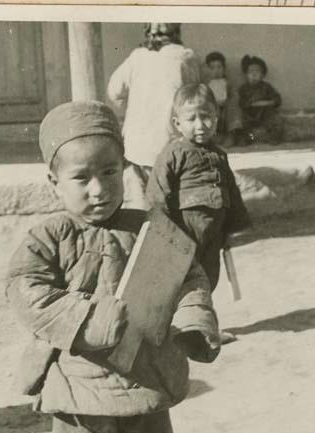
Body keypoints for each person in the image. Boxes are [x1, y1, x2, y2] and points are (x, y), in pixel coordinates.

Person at [6, 101, 221, 433]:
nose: (99, 189)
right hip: (79, 387)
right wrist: (91, 317)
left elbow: (188, 275)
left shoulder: (150, 227)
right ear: (53, 182)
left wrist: (192, 321)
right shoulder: (48, 237)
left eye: (110, 171)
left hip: (146, 376)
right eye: (82, 178)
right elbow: (27, 290)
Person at [147, 83, 250, 294]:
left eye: (206, 117)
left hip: (214, 231)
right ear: (177, 123)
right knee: (182, 280)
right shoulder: (174, 153)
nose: (200, 125)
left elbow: (231, 191)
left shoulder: (220, 155)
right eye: (191, 119)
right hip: (185, 231)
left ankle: (204, 320)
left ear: (216, 118)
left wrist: (230, 228)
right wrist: (163, 231)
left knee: (210, 277)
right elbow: (157, 193)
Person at [107, 23, 200, 208]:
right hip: (169, 141)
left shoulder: (137, 57)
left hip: (135, 143)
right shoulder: (185, 56)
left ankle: (141, 232)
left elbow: (114, 91)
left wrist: (128, 112)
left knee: (140, 199)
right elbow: (194, 94)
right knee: (168, 197)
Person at [237, 54, 284, 145]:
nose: (254, 74)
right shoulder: (243, 88)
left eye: (257, 71)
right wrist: (251, 104)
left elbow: (277, 99)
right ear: (246, 74)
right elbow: (242, 102)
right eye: (251, 71)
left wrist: (269, 102)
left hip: (264, 113)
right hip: (249, 114)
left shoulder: (266, 87)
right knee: (242, 122)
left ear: (262, 74)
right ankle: (246, 139)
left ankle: (274, 138)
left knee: (275, 119)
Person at [204, 51, 228, 137]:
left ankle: (227, 134)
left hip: (225, 106)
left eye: (219, 67)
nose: (216, 71)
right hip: (213, 106)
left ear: (224, 68)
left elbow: (232, 96)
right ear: (207, 70)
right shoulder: (207, 84)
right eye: (212, 68)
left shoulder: (227, 83)